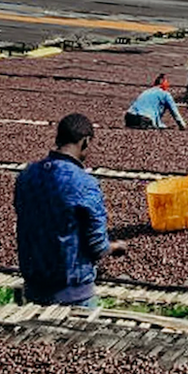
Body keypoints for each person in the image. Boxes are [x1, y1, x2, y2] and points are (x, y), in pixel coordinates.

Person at [14, 113, 114, 305]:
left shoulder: (26, 176)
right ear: (85, 142)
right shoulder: (85, 184)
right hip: (74, 292)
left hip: (34, 287)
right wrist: (115, 247)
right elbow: (97, 246)